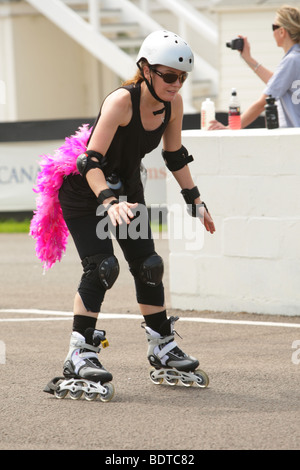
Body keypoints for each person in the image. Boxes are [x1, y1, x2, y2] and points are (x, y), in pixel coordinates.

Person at [38, 30, 215, 400]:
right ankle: (79, 353)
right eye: (169, 76)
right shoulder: (122, 101)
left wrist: (194, 199)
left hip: (128, 191)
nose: (175, 84)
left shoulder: (172, 104)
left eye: (182, 77)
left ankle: (162, 346)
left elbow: (174, 154)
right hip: (87, 189)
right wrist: (108, 200)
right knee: (103, 266)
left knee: (148, 264)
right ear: (146, 69)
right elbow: (90, 159)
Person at [209, 5, 300, 130]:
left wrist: (230, 128)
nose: (272, 32)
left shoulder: (291, 60)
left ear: (282, 31)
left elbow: (263, 102)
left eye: (273, 27)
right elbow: (276, 83)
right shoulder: (296, 58)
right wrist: (248, 59)